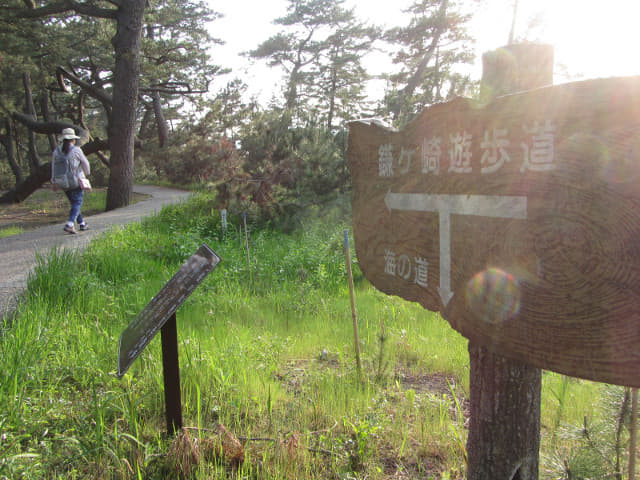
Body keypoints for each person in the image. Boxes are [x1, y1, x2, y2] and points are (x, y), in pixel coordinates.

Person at [51, 127, 91, 234]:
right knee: (77, 203)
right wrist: (87, 174)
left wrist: (54, 181)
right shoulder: (76, 150)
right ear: (73, 139)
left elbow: (53, 168)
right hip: (76, 181)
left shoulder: (56, 152)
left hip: (62, 182)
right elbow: (85, 163)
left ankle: (82, 224)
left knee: (74, 203)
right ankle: (70, 224)